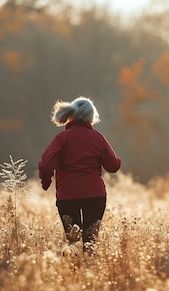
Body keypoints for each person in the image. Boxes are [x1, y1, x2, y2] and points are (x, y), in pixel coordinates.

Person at [38, 96, 121, 253]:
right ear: (91, 117)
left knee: (73, 242)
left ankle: (75, 273)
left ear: (71, 115)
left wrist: (46, 182)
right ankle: (90, 272)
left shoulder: (61, 139)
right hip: (95, 196)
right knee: (91, 241)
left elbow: (46, 164)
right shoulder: (97, 138)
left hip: (68, 196)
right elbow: (113, 166)